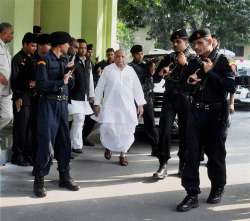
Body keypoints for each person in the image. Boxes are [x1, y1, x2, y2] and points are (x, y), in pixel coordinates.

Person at [177, 28, 235, 212]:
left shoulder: (223, 61)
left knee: (215, 154)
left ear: (211, 42)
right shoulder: (194, 61)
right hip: (196, 112)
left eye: (200, 43)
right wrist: (190, 80)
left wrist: (210, 72)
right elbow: (182, 84)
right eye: (195, 44)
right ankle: (192, 193)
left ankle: (218, 187)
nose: (197, 46)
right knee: (191, 153)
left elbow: (231, 86)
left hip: (216, 114)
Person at [33, 31, 80, 197]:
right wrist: (62, 80)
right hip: (48, 105)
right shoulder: (44, 60)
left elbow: (70, 85)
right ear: (61, 44)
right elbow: (41, 84)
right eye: (68, 43)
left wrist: (69, 76)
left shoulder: (65, 60)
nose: (69, 47)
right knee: (46, 143)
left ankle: (64, 176)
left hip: (62, 105)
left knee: (64, 142)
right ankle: (39, 180)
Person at [153, 29, 197, 179]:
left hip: (185, 98)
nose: (175, 44)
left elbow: (197, 80)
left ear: (186, 42)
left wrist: (185, 65)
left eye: (178, 41)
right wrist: (159, 72)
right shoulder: (169, 57)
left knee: (185, 132)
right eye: (173, 41)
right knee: (164, 130)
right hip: (170, 97)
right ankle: (163, 164)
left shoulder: (194, 57)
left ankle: (183, 164)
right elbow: (156, 79)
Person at [94, 49, 146, 166]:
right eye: (117, 57)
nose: (120, 59)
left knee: (126, 131)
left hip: (126, 107)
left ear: (126, 58)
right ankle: (108, 147)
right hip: (110, 106)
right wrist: (97, 103)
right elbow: (100, 87)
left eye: (122, 57)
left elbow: (137, 88)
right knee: (109, 128)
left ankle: (123, 155)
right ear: (114, 57)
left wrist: (140, 104)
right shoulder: (108, 70)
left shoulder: (130, 71)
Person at [10, 32, 37, 166]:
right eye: (32, 46)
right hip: (21, 97)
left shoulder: (33, 58)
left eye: (35, 46)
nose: (34, 48)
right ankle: (17, 155)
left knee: (29, 129)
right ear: (24, 44)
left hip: (31, 98)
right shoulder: (17, 59)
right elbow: (14, 81)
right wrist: (19, 95)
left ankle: (27, 154)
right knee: (20, 127)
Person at [129, 45, 159, 156]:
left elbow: (154, 78)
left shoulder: (146, 65)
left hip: (147, 99)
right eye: (138, 54)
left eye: (142, 53)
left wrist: (152, 68)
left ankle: (155, 148)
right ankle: (124, 147)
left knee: (150, 125)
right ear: (133, 55)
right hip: (135, 100)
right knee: (131, 124)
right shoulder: (130, 67)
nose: (141, 56)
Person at [68, 39, 95, 153]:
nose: (83, 50)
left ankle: (75, 145)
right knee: (77, 119)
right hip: (73, 95)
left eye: (84, 48)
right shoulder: (72, 60)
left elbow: (90, 79)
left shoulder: (88, 62)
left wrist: (91, 94)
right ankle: (72, 145)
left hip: (83, 96)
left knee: (80, 119)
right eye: (80, 47)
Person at [0, 23, 13, 131]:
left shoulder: (6, 47)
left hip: (7, 87)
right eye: (11, 33)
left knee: (8, 116)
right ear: (4, 33)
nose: (12, 36)